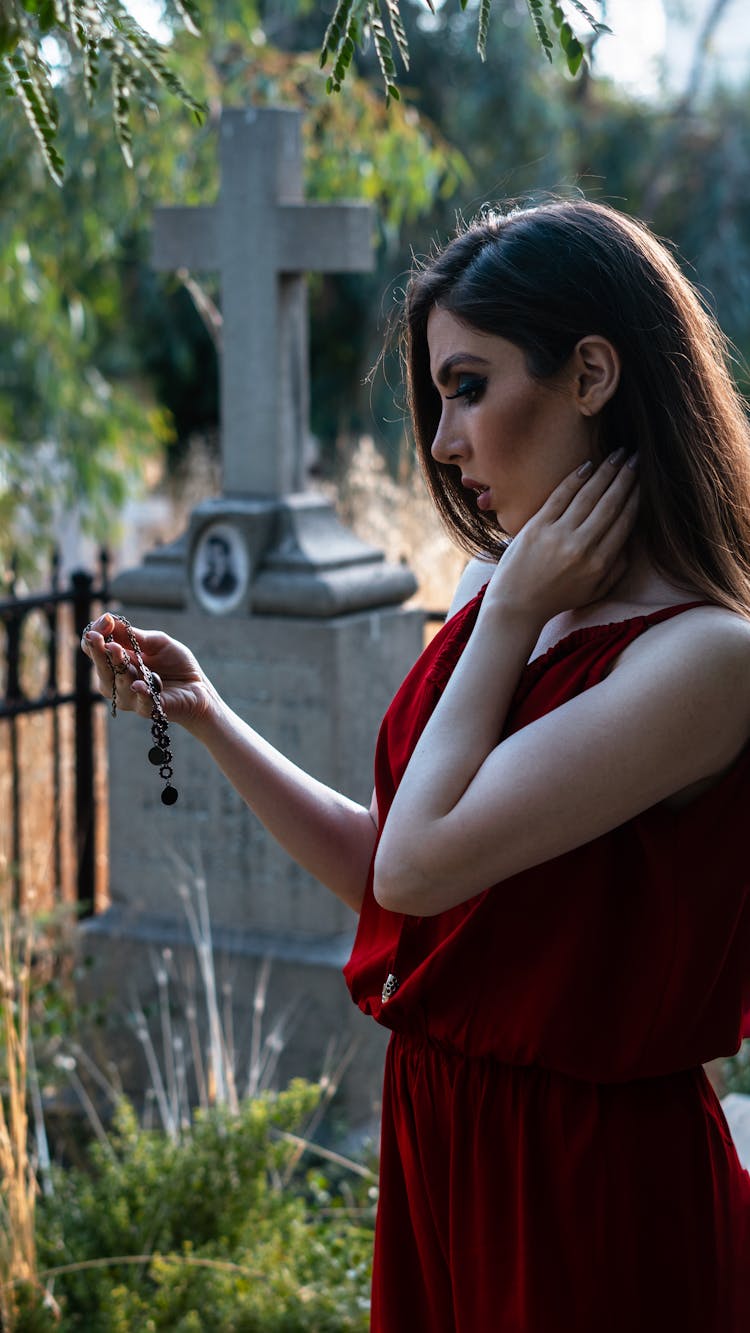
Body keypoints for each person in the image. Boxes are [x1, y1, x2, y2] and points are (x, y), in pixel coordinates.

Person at [82, 198, 750, 1331]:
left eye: (468, 385)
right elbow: (398, 874)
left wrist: (506, 615)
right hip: (445, 1130)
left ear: (592, 372)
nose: (442, 442)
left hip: (587, 1183)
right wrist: (209, 719)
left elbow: (421, 865)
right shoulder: (498, 596)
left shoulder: (706, 658)